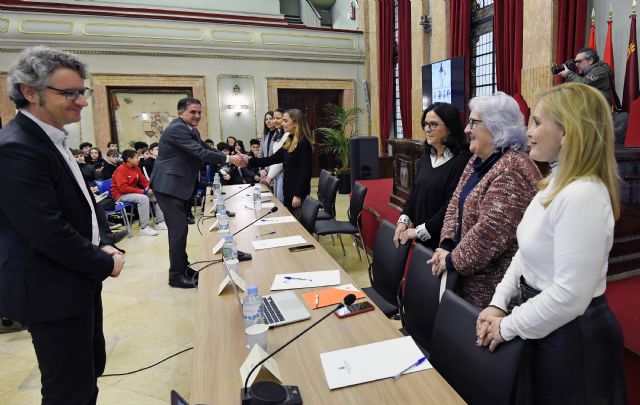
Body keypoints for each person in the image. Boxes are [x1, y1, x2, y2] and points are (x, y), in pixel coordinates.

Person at [476, 83, 627, 404]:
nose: (528, 131)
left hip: (571, 337)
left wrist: (507, 326)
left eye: (538, 122)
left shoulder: (583, 193)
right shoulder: (556, 182)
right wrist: (498, 302)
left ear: (568, 132)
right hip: (542, 321)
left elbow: (570, 297)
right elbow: (524, 254)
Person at [0, 45, 124, 405]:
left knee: (88, 371)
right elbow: (46, 230)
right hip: (49, 288)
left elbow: (82, 200)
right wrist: (104, 261)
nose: (81, 101)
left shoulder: (50, 137)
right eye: (68, 93)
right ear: (29, 92)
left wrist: (104, 240)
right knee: (68, 390)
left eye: (81, 92)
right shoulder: (16, 147)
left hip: (74, 278)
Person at [428, 92, 541, 308]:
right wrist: (447, 244)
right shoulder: (477, 160)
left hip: (490, 296)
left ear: (496, 127)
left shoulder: (513, 170)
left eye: (473, 122)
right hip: (465, 278)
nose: (466, 129)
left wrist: (450, 259)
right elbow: (455, 204)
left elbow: (487, 236)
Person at [151, 97, 248, 289]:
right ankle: (176, 276)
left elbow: (205, 148)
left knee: (181, 231)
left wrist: (234, 157)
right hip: (168, 187)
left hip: (177, 186)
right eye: (192, 112)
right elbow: (200, 153)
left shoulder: (190, 129)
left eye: (199, 112)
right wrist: (230, 158)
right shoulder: (177, 129)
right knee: (178, 232)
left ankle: (183, 268)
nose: (197, 116)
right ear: (181, 113)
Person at [393, 103, 471, 250]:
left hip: (444, 243)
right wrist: (403, 221)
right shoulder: (426, 156)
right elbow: (414, 193)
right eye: (425, 124)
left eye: (433, 124)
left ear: (449, 128)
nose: (427, 129)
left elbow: (451, 208)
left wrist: (418, 231)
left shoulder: (461, 161)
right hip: (422, 239)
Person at [248, 108, 312, 215]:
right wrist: (250, 161)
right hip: (288, 188)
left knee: (298, 224)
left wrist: (298, 195)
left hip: (297, 192)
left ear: (295, 123)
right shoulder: (289, 140)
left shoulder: (303, 143)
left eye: (285, 121)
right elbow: (273, 159)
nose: (283, 124)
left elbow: (305, 172)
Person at [111, 149, 166, 236]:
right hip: (120, 195)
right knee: (143, 198)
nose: (138, 159)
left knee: (158, 195)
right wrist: (142, 192)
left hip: (132, 193)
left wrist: (148, 188)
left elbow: (144, 181)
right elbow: (123, 188)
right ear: (129, 159)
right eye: (136, 157)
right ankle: (144, 228)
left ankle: (159, 222)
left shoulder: (136, 168)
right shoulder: (120, 169)